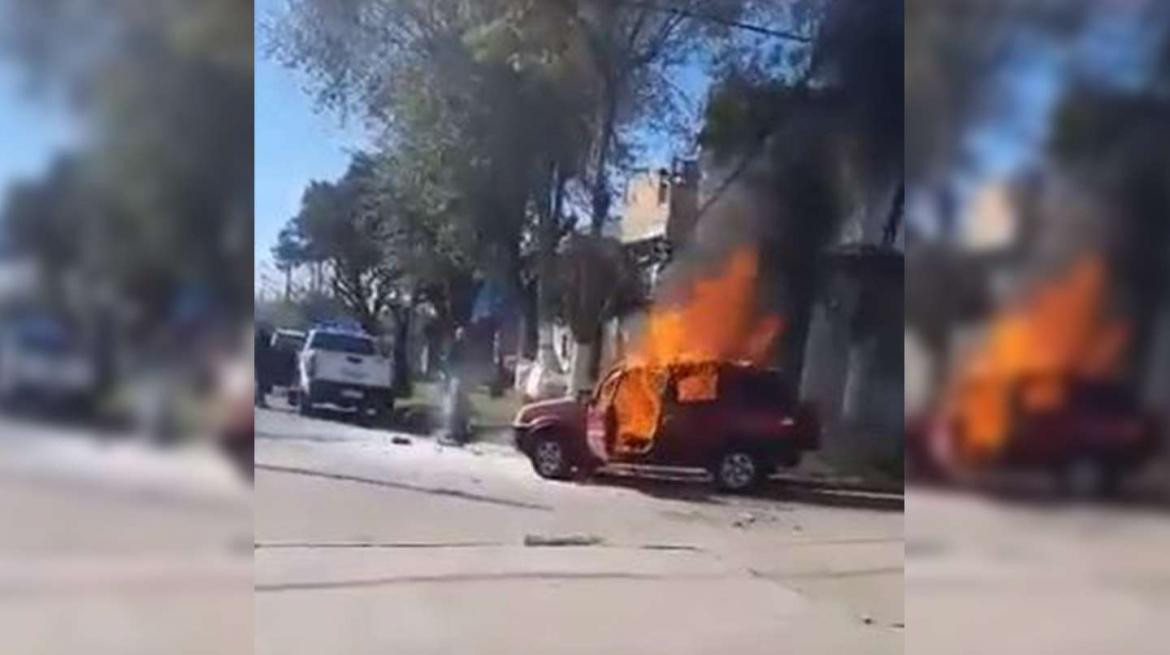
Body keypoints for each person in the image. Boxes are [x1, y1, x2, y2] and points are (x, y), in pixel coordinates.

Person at [442, 327, 471, 443]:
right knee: (455, 404)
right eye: (460, 335)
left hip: (459, 377)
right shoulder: (456, 346)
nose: (461, 337)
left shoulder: (461, 346)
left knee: (458, 404)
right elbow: (449, 362)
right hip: (456, 377)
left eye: (462, 335)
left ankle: (458, 429)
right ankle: (454, 429)